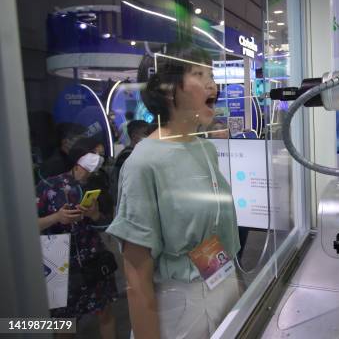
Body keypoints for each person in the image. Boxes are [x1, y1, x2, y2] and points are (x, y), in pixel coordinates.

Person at [106, 44, 241, 339]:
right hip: (179, 310)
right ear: (169, 91)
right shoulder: (144, 162)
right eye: (198, 74)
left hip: (223, 288)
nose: (212, 84)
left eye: (211, 74)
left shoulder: (205, 148)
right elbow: (136, 272)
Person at [36, 150, 118, 338]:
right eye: (84, 170)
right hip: (56, 260)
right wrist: (57, 217)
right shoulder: (48, 186)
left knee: (105, 311)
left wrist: (93, 214)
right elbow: (29, 225)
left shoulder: (97, 185)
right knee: (65, 323)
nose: (86, 175)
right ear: (75, 165)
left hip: (93, 256)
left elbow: (108, 224)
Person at [110, 120, 151, 202]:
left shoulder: (135, 153)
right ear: (134, 136)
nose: (149, 136)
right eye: (145, 133)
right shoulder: (127, 156)